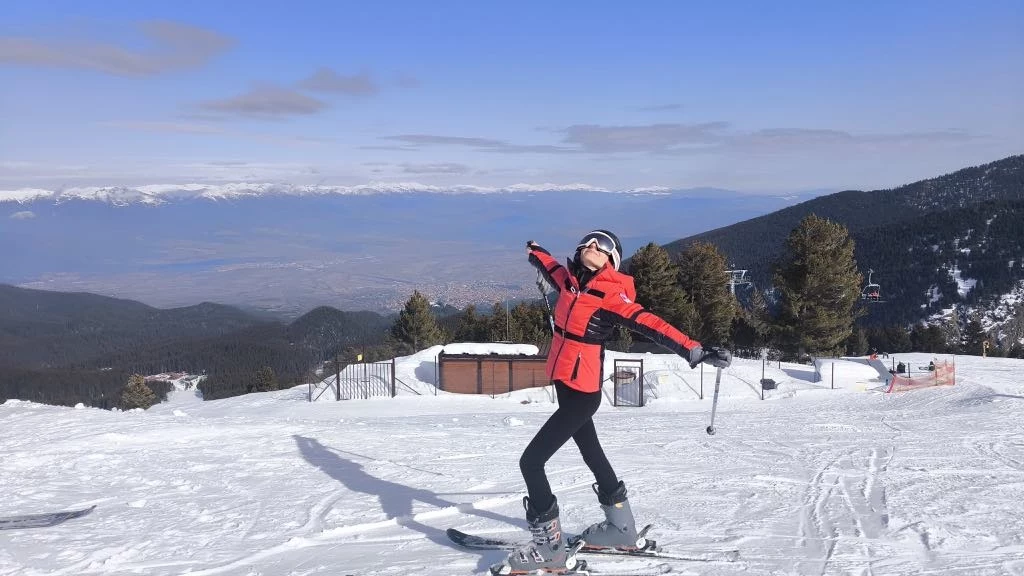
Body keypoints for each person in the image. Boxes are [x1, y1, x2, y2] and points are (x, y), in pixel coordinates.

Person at [493, 230, 732, 575]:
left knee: (531, 462)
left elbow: (653, 324)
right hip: (565, 383)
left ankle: (549, 551)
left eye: (601, 246)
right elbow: (550, 267)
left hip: (583, 393)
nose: (592, 247)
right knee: (592, 453)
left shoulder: (611, 294)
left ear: (612, 260)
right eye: (588, 242)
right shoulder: (570, 282)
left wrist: (695, 350)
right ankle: (622, 529)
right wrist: (535, 250)